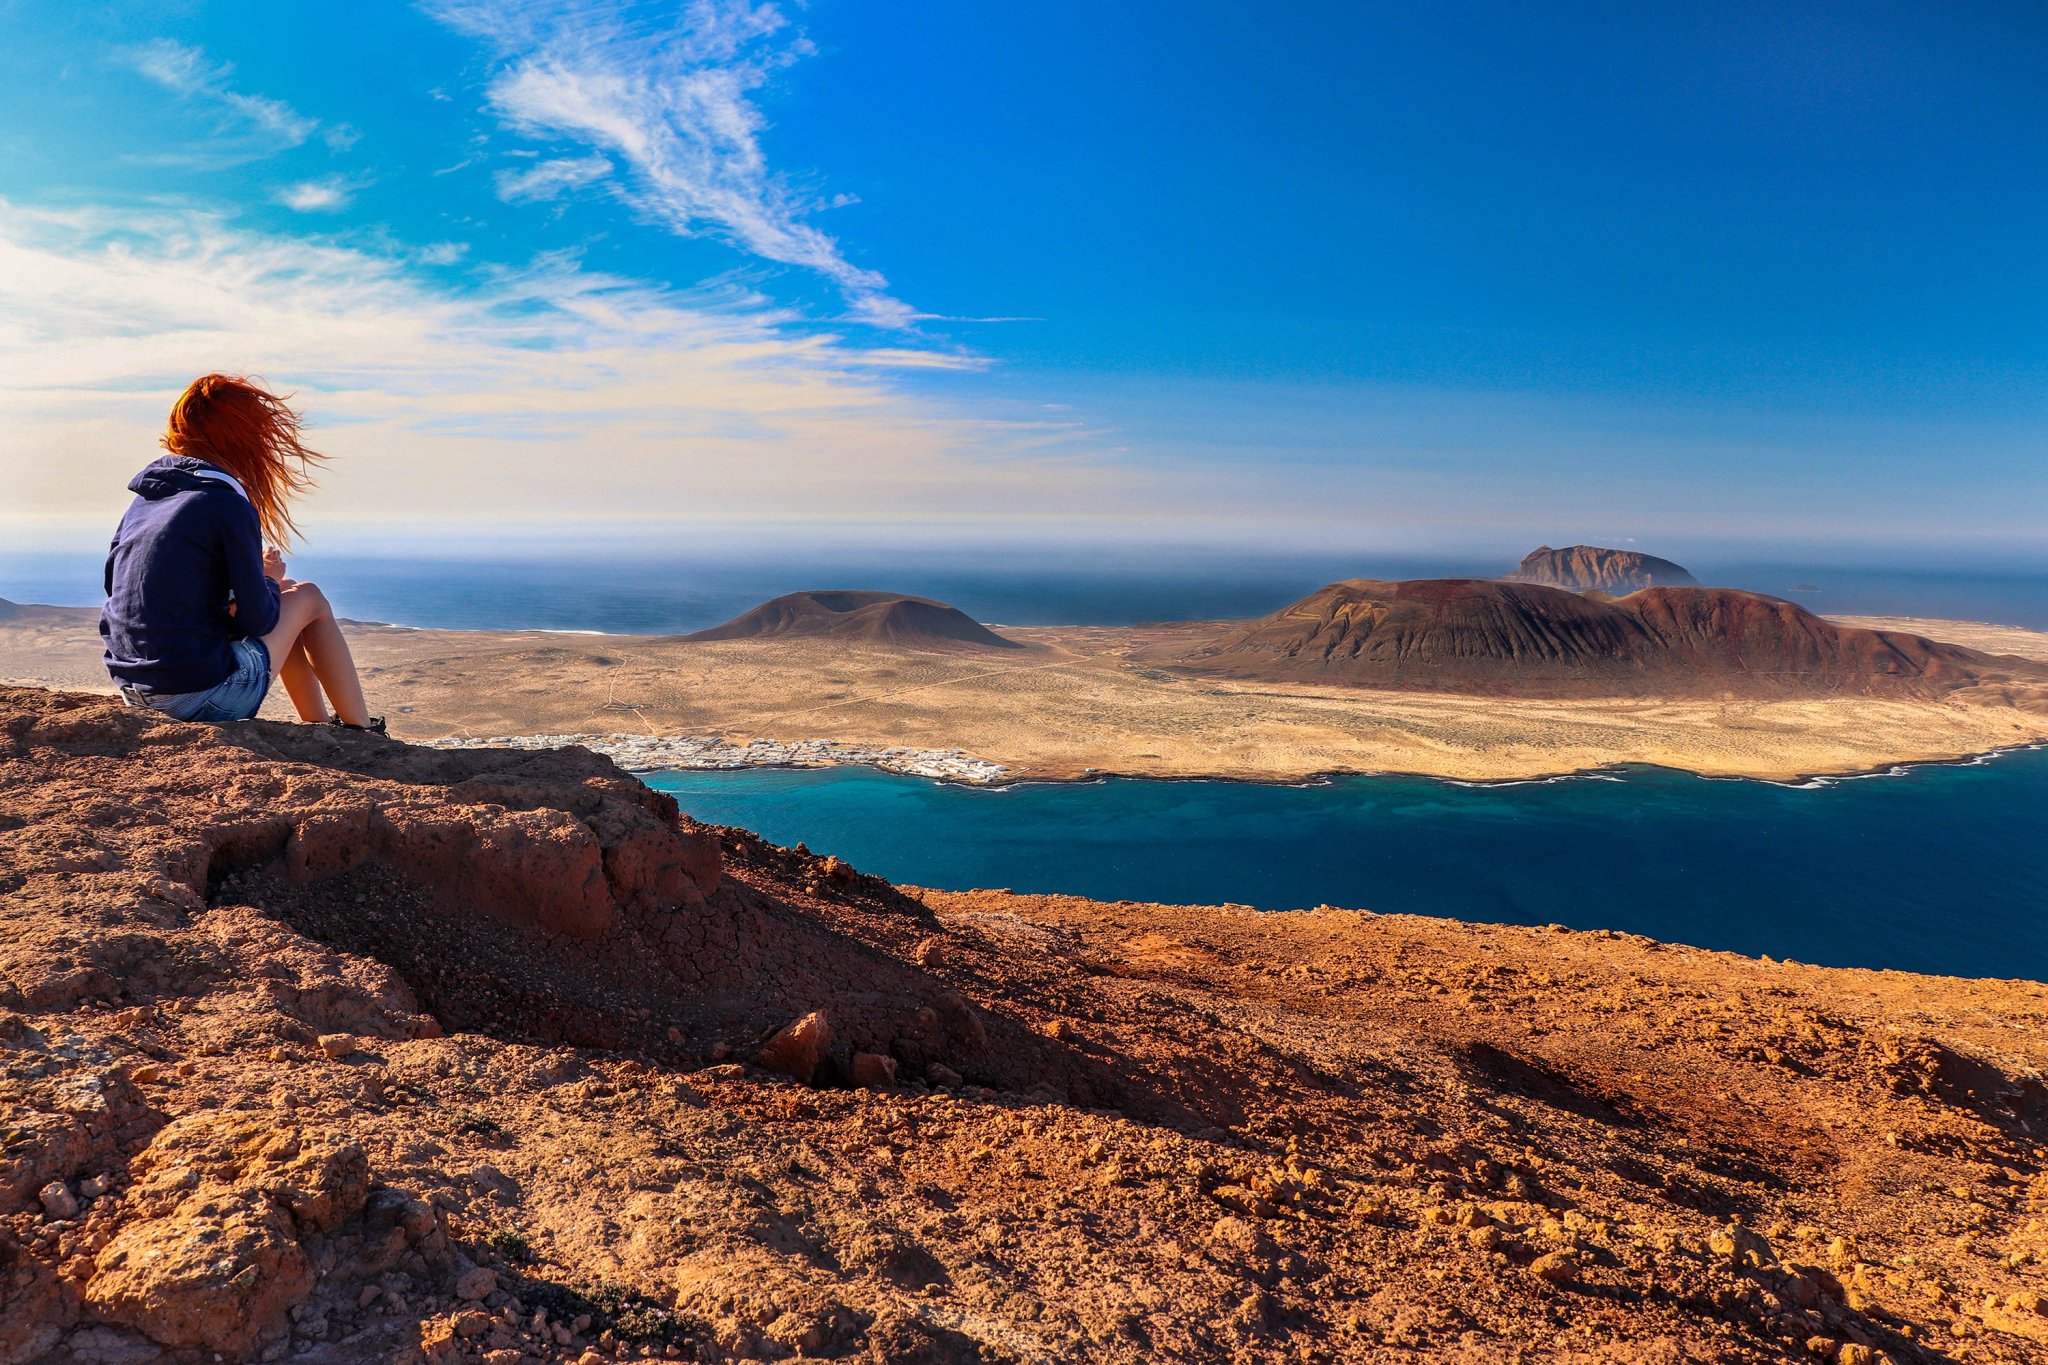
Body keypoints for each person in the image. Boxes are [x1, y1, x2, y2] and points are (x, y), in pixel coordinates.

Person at [100, 374, 383, 732]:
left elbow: (121, 590)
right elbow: (258, 621)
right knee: (309, 597)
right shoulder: (223, 502)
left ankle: (320, 725)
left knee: (286, 591)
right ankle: (361, 730)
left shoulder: (146, 501)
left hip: (135, 690)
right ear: (240, 437)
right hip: (196, 697)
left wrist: (254, 592)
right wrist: (267, 577)